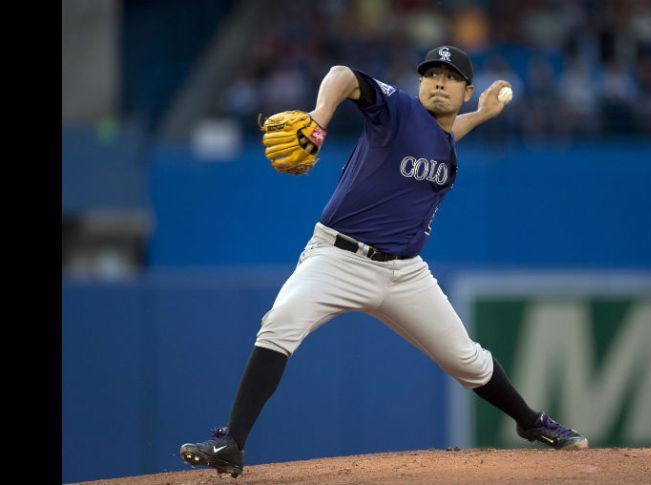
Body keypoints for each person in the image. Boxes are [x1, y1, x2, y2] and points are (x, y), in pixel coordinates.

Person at [180, 45, 588, 478]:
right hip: (337, 259)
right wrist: (318, 119)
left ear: (467, 90)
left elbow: (446, 135)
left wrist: (484, 115)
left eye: (450, 77)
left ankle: (530, 423)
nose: (439, 82)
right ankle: (231, 443)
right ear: (420, 83)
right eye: (432, 74)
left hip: (406, 274)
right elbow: (342, 74)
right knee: (280, 323)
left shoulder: (442, 138)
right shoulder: (396, 109)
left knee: (466, 359)